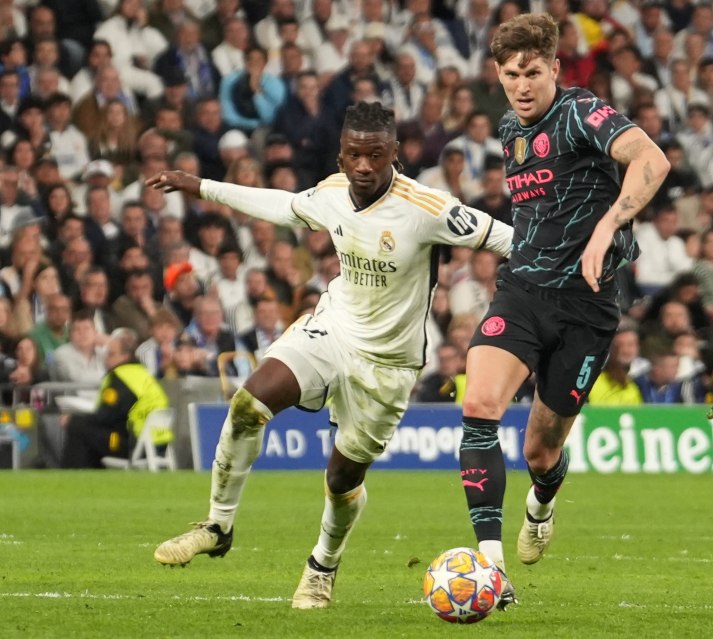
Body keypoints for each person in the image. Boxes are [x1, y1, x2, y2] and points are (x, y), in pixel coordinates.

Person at [148, 102, 513, 609]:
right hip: (332, 329)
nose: (363, 166)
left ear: (395, 155)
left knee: (342, 478)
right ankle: (217, 524)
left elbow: (507, 239)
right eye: (354, 155)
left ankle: (322, 565)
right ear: (341, 156)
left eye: (375, 155)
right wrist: (203, 186)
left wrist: (581, 260)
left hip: (388, 364)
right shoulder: (332, 193)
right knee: (248, 403)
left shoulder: (429, 208)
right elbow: (279, 205)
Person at [455, 14, 669, 607]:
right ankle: (491, 570)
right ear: (498, 76)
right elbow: (539, 212)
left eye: (531, 73)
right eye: (509, 75)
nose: (521, 86)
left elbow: (652, 160)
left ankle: (542, 501)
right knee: (478, 406)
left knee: (539, 452)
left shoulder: (580, 112)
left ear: (554, 68)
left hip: (587, 307)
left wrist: (607, 228)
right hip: (521, 292)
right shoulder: (508, 130)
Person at [60, 328, 170, 468]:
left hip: (130, 446)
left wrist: (72, 419)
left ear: (125, 357)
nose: (106, 358)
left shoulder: (122, 379)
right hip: (157, 446)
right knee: (91, 433)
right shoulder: (142, 374)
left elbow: (104, 416)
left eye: (111, 354)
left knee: (77, 425)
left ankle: (72, 477)